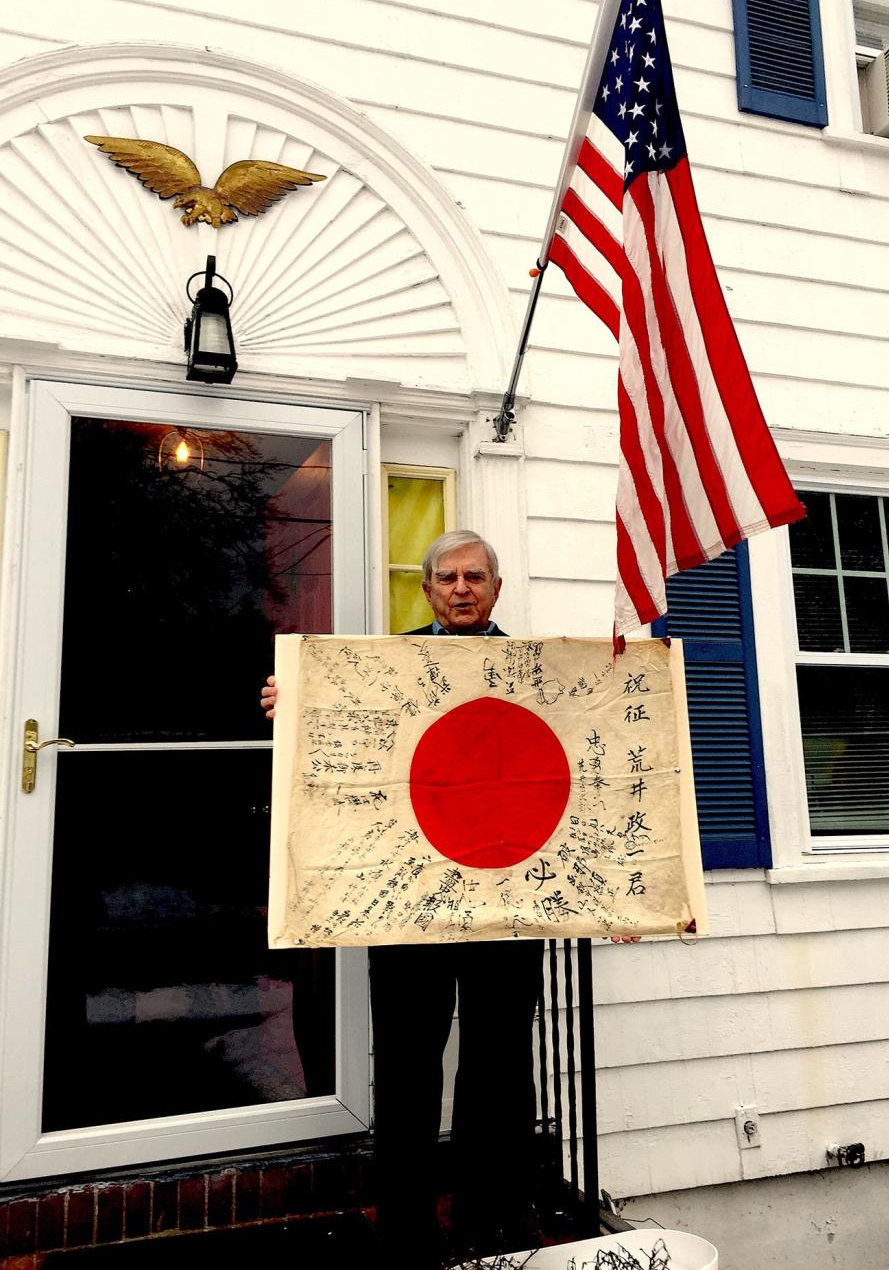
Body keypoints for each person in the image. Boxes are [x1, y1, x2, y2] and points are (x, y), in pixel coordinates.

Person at [261, 530, 639, 1265]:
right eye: (447, 577)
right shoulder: (387, 669)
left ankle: (489, 1218)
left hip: (509, 898)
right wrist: (295, 702)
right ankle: (406, 1227)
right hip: (411, 904)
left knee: (499, 1065)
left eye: (475, 577)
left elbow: (599, 751)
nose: (461, 588)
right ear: (427, 590)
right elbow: (346, 743)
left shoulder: (539, 674)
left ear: (496, 589)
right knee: (406, 1065)